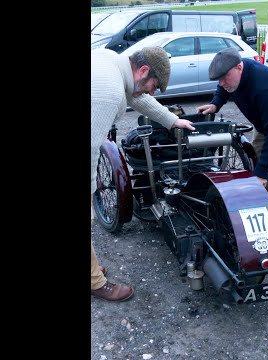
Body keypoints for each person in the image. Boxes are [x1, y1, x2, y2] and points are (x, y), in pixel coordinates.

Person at [91, 46, 195, 301]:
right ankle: (95, 282)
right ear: (144, 70)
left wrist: (172, 120)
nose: (152, 92)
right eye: (153, 86)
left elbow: (137, 96)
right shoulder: (108, 92)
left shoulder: (113, 62)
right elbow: (91, 147)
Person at [196, 48, 268, 238]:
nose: (222, 83)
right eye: (219, 79)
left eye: (225, 77)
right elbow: (222, 88)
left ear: (239, 67)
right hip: (264, 125)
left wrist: (263, 172)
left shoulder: (263, 87)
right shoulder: (231, 77)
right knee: (254, 162)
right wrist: (216, 103)